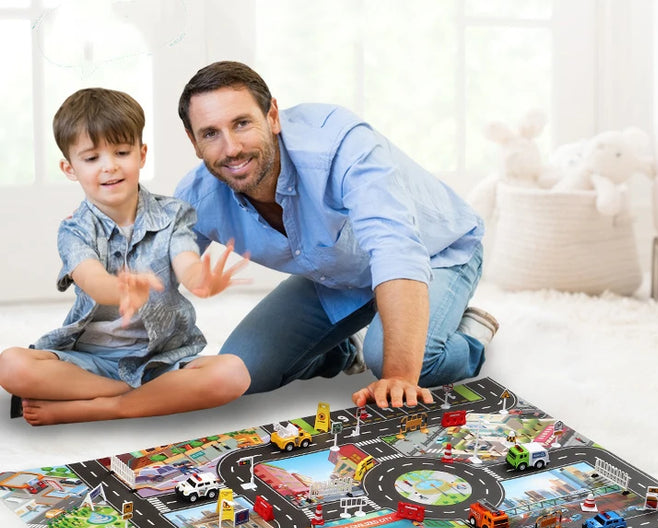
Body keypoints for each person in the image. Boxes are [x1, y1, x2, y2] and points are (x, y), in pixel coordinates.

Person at [175, 61, 498, 409]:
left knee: (397, 363)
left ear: (272, 116)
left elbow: (396, 249)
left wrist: (399, 377)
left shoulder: (342, 145)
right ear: (194, 142)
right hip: (340, 275)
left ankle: (470, 334)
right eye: (210, 133)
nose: (232, 148)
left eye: (242, 123)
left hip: (437, 253)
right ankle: (347, 348)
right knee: (242, 370)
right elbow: (150, 277)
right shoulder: (198, 195)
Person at [0, 88, 251, 425]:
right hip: (91, 360)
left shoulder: (173, 214)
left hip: (162, 360)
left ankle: (101, 407)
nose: (110, 167)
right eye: (92, 159)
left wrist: (200, 280)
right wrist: (119, 289)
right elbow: (91, 278)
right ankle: (125, 394)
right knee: (11, 365)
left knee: (233, 374)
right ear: (69, 167)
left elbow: (185, 258)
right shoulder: (74, 229)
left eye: (121, 152)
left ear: (142, 154)